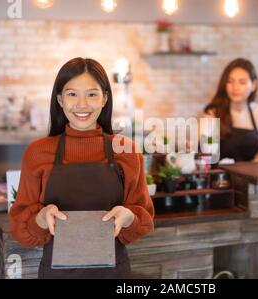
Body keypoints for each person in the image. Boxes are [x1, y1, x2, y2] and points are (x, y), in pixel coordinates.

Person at [9, 57, 154, 279]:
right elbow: (20, 228)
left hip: (114, 273)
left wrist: (129, 218)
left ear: (105, 98)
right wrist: (41, 218)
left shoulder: (127, 150)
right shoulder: (37, 152)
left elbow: (144, 219)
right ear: (60, 99)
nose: (82, 104)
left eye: (92, 94)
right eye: (72, 94)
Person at [202, 58, 258, 162]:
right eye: (230, 81)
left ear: (253, 85)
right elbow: (206, 149)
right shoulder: (213, 113)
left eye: (242, 82)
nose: (235, 87)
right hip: (221, 176)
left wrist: (249, 174)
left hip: (253, 175)